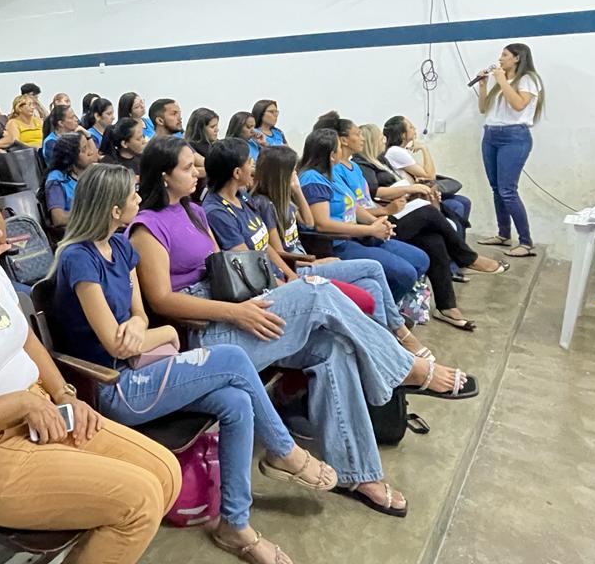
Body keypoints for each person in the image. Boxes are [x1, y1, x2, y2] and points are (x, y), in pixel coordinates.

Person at [129, 136, 479, 517]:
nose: (197, 172)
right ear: (164, 177)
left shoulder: (193, 212)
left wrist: (264, 295)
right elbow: (162, 300)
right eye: (186, 168)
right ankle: (405, 367)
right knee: (317, 290)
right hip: (211, 331)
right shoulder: (146, 227)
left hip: (242, 308)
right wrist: (236, 312)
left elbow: (230, 265)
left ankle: (357, 474)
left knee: (334, 348)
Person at [53, 163, 336, 563]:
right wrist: (166, 335)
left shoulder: (119, 247)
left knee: (236, 403)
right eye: (132, 195)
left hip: (143, 368)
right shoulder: (78, 260)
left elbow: (137, 316)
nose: (139, 198)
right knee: (234, 358)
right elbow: (114, 347)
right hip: (114, 387)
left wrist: (139, 326)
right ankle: (284, 451)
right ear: (114, 210)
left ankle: (235, 526)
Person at [0, 185, 182, 564]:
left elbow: (25, 338)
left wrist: (63, 395)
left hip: (43, 413)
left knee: (166, 473)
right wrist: (22, 402)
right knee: (139, 500)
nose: (2, 235)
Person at [203, 138, 383, 323]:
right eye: (250, 162)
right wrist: (287, 283)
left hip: (285, 273)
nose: (253, 166)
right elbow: (246, 261)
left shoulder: (242, 197)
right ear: (237, 172)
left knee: (369, 286)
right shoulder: (218, 212)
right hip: (267, 286)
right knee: (365, 283)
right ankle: (393, 341)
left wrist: (290, 275)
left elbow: (265, 247)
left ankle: (391, 338)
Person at [353, 124, 508, 332]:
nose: (383, 139)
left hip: (394, 209)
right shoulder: (362, 165)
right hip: (382, 218)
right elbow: (370, 196)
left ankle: (447, 307)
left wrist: (411, 194)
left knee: (435, 239)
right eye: (379, 137)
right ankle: (467, 258)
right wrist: (404, 194)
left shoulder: (379, 162)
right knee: (430, 212)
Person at [297, 126, 429, 306]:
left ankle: (387, 307)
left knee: (420, 259)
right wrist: (370, 229)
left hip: (359, 235)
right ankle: (382, 313)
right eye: (339, 148)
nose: (342, 152)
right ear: (331, 154)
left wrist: (377, 223)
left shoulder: (331, 173)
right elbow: (322, 224)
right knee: (405, 273)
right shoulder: (312, 179)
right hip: (337, 243)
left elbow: (355, 206)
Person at [476, 43, 545, 258]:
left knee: (508, 191)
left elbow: (518, 105)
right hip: (491, 135)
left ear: (517, 58)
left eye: (505, 55)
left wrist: (502, 80)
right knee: (496, 188)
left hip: (514, 137)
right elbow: (483, 108)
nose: (500, 59)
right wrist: (484, 86)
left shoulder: (528, 79)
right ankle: (503, 234)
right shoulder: (501, 82)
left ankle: (526, 242)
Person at [382, 115, 471, 227]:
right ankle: (453, 240)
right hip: (410, 197)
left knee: (464, 201)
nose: (415, 129)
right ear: (403, 135)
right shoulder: (396, 151)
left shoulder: (400, 151)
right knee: (457, 205)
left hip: (417, 192)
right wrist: (424, 149)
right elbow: (430, 175)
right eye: (411, 127)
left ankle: (457, 240)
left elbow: (424, 175)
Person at [43, 132, 99, 227]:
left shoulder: (92, 173)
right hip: (76, 232)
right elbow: (58, 219)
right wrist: (94, 217)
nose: (91, 152)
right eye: (84, 149)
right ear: (70, 156)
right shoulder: (56, 180)